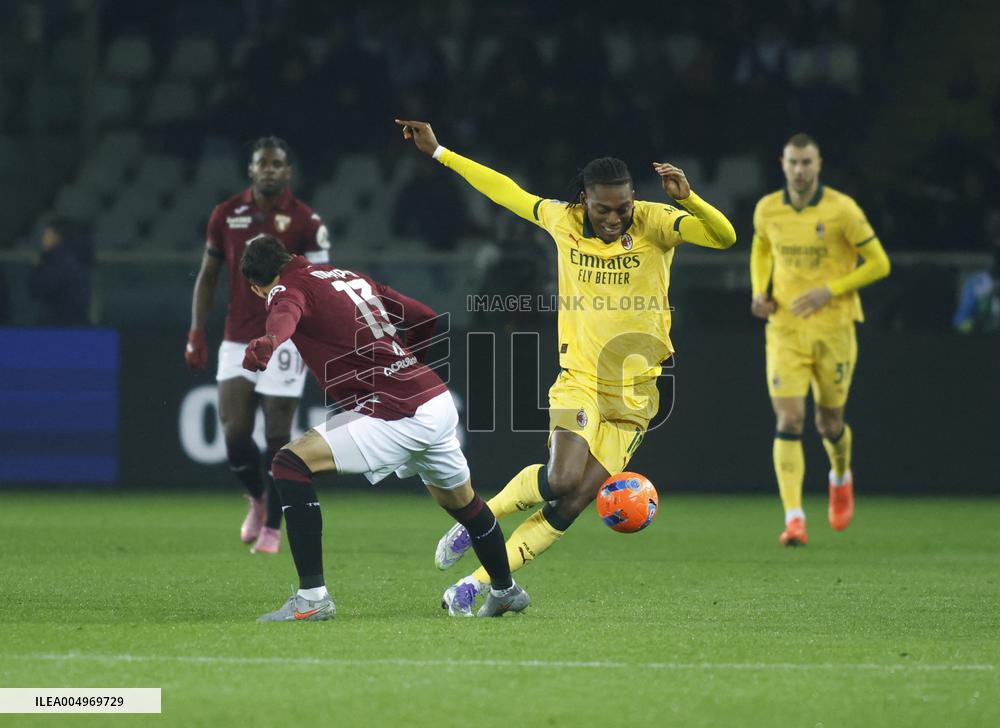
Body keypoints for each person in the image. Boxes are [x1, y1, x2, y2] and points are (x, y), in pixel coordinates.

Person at [395, 118, 737, 614]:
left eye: (623, 207)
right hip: (581, 379)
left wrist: (690, 198)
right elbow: (504, 190)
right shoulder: (560, 219)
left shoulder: (657, 222)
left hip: (638, 395)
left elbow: (724, 237)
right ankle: (480, 520)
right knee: (561, 479)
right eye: (603, 209)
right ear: (584, 200)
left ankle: (479, 587)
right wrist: (440, 153)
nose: (615, 217)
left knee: (574, 502)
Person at [239, 235, 530, 621]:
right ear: (292, 256)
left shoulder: (285, 289)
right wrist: (407, 370)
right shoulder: (346, 275)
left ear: (257, 286)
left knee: (288, 465)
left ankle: (312, 598)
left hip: (396, 412)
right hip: (433, 398)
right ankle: (506, 590)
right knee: (467, 506)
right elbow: (425, 317)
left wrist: (270, 340)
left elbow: (285, 312)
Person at [185, 136, 330, 554]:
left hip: (284, 338)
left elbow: (320, 285)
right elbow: (208, 275)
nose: (269, 169)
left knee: (278, 435)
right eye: (262, 163)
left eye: (277, 163)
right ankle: (258, 496)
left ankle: (271, 526)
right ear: (250, 170)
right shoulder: (226, 214)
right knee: (234, 434)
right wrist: (196, 331)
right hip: (236, 335)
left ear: (288, 172)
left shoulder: (305, 221)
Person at [750, 133, 891, 547]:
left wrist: (831, 289)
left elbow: (880, 263)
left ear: (819, 164)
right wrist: (760, 290)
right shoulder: (767, 209)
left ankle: (840, 475)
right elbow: (760, 250)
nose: (799, 170)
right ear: (782, 163)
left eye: (806, 162)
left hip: (834, 329)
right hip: (785, 331)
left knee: (829, 424)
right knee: (789, 419)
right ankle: (794, 518)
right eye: (793, 162)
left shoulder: (842, 210)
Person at [28, 218, 93, 326]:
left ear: (56, 236)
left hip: (59, 324)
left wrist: (37, 268)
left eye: (47, 234)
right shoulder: (74, 259)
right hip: (73, 322)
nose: (43, 238)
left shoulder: (58, 261)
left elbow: (39, 288)